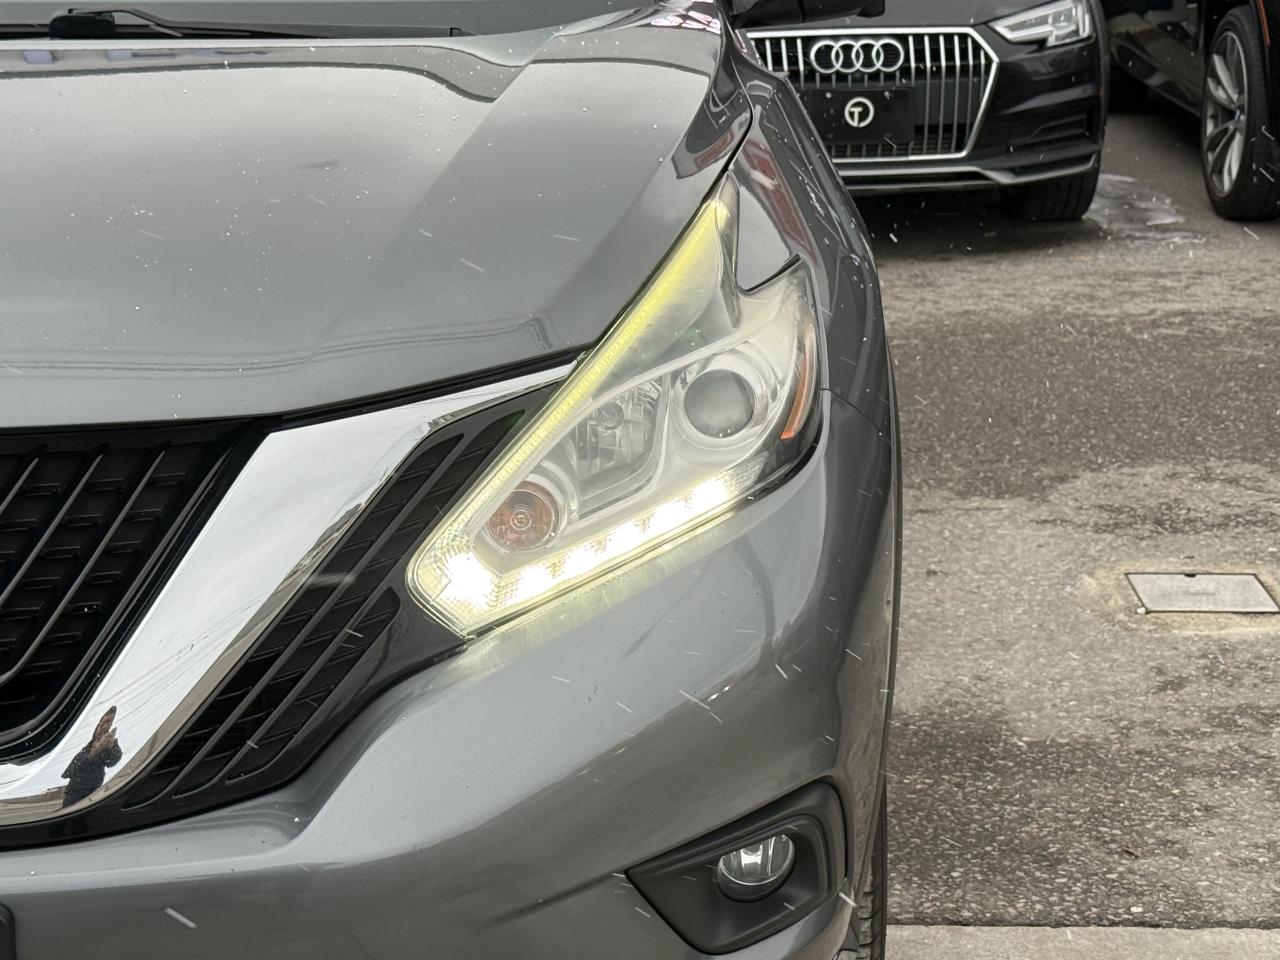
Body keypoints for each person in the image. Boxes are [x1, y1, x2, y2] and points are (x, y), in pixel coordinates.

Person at [61, 706, 122, 808]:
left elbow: (114, 759)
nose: (103, 726)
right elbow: (74, 767)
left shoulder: (110, 743)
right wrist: (92, 754)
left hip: (91, 794)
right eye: (102, 723)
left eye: (108, 722)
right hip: (73, 793)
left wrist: (109, 747)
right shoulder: (88, 746)